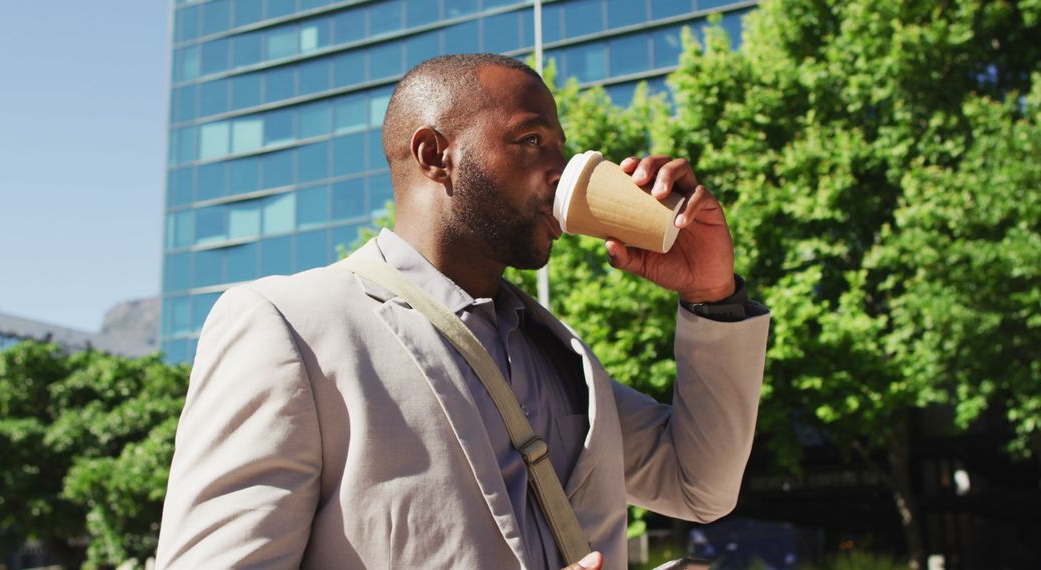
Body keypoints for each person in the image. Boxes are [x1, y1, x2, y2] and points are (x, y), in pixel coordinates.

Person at [155, 54, 770, 570]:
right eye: (531, 141)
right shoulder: (287, 326)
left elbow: (700, 486)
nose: (561, 172)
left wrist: (712, 294)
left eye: (561, 147)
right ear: (434, 155)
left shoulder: (558, 355)